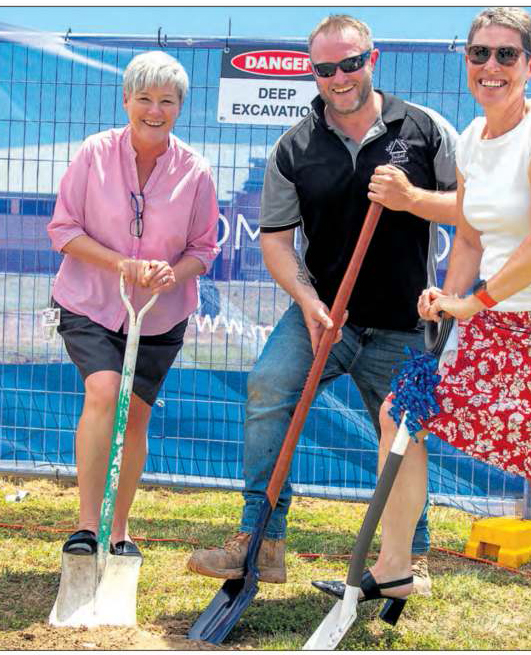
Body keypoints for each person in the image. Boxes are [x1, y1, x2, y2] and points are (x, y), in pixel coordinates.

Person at [354, 7, 531, 649]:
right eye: (479, 54)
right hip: (492, 323)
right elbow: (469, 229)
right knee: (401, 415)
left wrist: (477, 300)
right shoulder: (473, 138)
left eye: (505, 56)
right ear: (466, 60)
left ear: (530, 66)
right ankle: (396, 569)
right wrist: (449, 293)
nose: (490, 67)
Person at [187, 15, 458, 592]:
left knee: (404, 434)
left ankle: (407, 556)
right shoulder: (295, 147)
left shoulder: (425, 129)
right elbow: (277, 241)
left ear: (372, 59)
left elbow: (469, 205)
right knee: (267, 388)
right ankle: (262, 542)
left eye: (350, 63)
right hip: (326, 315)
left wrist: (411, 198)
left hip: (405, 321)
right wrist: (310, 304)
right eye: (324, 68)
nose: (338, 77)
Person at [47, 51, 220, 559]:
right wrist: (121, 263)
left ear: (180, 108)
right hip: (91, 301)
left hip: (160, 313)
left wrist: (172, 273)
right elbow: (63, 230)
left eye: (166, 101)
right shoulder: (93, 153)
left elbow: (203, 250)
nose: (154, 109)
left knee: (136, 415)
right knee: (103, 391)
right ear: (126, 100)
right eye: (144, 98)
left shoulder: (196, 170)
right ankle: (86, 528)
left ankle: (118, 529)